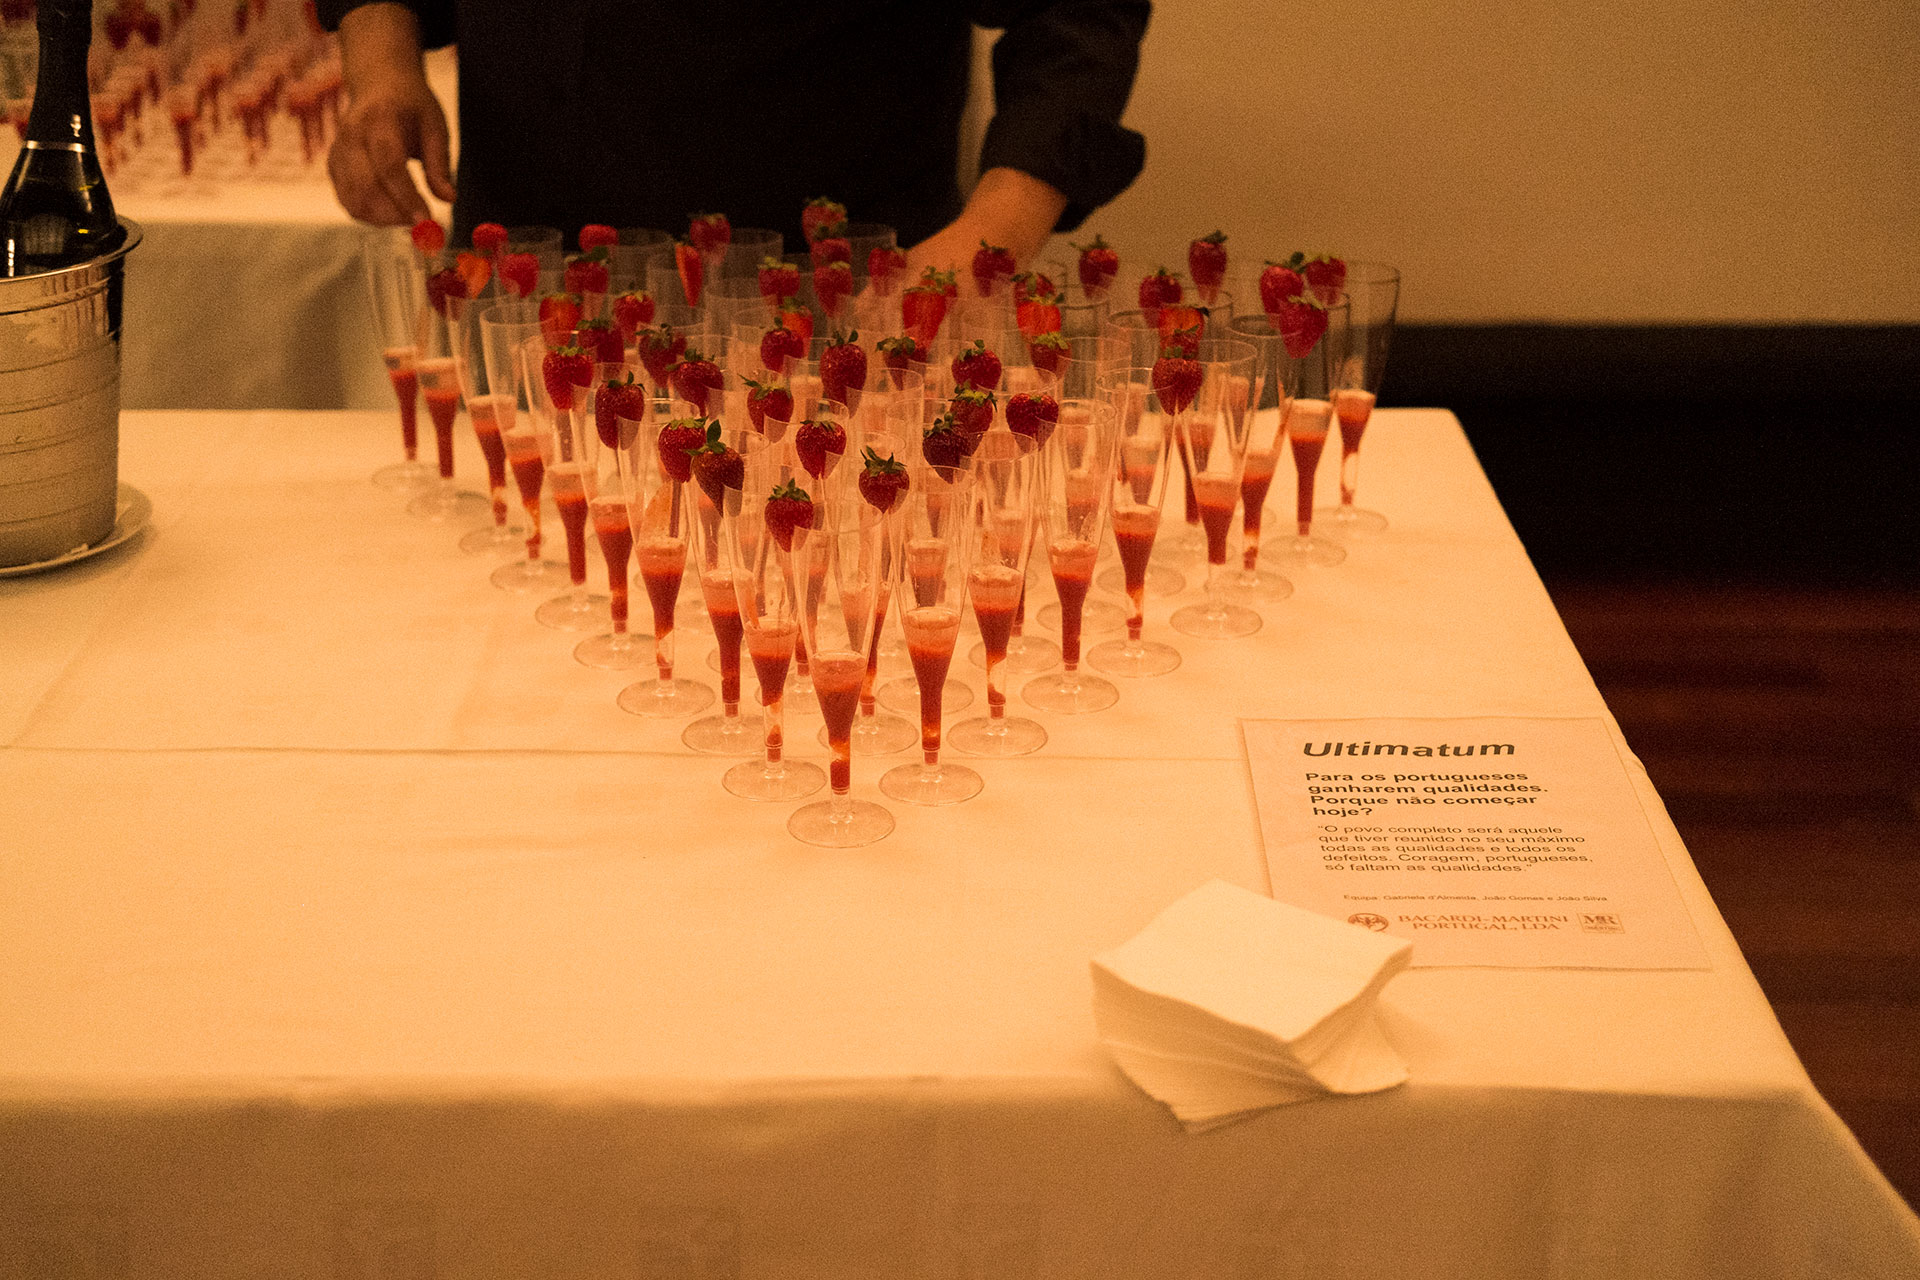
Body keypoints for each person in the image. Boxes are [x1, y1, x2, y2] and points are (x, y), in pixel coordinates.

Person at [318, 1, 1150, 273]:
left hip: (827, 302)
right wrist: (381, 65)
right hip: (521, 277)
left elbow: (1076, 11)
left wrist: (988, 239)